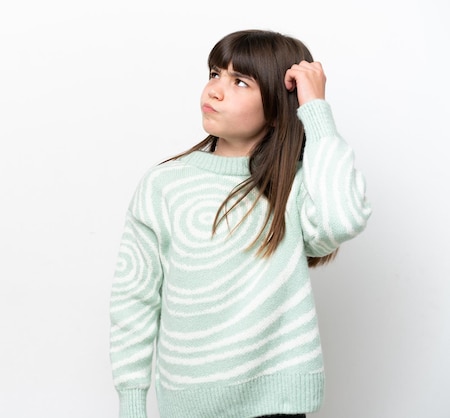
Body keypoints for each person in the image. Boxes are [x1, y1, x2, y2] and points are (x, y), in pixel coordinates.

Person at [109, 29, 372, 418]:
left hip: (279, 407)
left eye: (240, 81)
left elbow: (343, 219)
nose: (214, 90)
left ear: (277, 103)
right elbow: (134, 298)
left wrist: (314, 109)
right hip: (188, 406)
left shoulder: (295, 186)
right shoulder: (165, 185)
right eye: (215, 73)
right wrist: (131, 402)